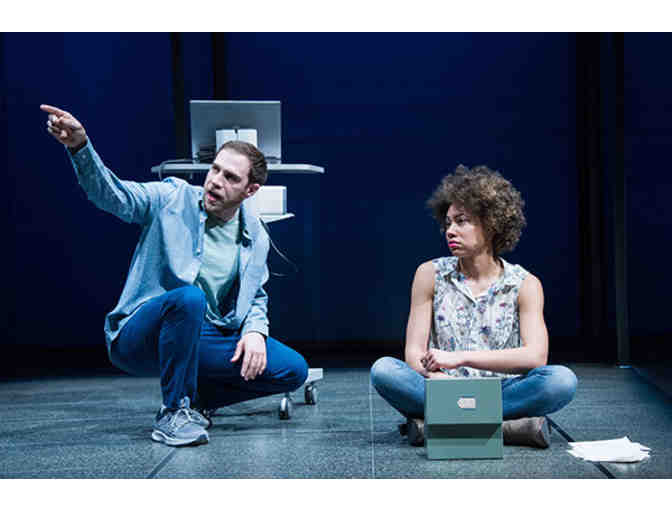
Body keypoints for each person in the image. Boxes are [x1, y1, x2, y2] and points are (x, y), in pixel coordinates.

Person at [41, 104, 308, 447]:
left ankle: (197, 400)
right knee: (189, 298)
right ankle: (173, 413)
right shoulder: (171, 197)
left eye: (230, 178)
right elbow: (113, 195)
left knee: (292, 369)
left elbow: (256, 294)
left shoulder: (255, 234)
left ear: (250, 190)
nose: (216, 181)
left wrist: (255, 331)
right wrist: (80, 147)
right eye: (215, 169)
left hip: (202, 334)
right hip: (140, 335)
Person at [370, 164, 577, 448]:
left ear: (491, 224)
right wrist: (439, 377)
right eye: (447, 223)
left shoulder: (525, 284)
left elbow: (536, 356)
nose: (450, 231)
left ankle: (439, 424)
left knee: (561, 380)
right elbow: (414, 354)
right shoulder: (429, 274)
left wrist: (461, 358)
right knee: (384, 370)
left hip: (502, 389)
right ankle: (509, 428)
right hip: (442, 385)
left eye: (461, 221)